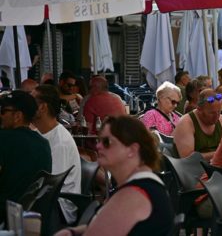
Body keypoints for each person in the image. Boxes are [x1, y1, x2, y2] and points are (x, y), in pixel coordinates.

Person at [54, 116, 174, 236]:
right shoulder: (145, 186)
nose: (98, 146)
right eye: (99, 141)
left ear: (132, 150)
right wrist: (72, 231)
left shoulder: (133, 195)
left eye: (107, 142)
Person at [31, 85, 81, 224]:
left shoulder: (60, 142)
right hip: (45, 201)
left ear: (43, 107)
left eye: (31, 101)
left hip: (59, 208)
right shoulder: (39, 134)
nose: (27, 106)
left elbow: (51, 185)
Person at [0, 90, 52, 222]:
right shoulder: (43, 143)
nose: (1, 115)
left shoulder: (3, 139)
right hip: (32, 215)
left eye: (3, 111)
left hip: (5, 213)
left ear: (17, 116)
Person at [173, 89, 222, 161]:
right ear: (199, 109)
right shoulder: (185, 123)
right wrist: (219, 154)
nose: (217, 116)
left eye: (219, 111)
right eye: (212, 113)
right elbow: (187, 159)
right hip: (194, 170)